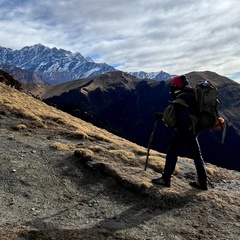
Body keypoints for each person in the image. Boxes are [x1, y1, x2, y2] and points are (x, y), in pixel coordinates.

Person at [152, 75, 208, 190]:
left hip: (186, 132)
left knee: (172, 152)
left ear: (176, 86)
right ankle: (203, 183)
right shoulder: (192, 94)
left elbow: (183, 118)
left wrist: (179, 133)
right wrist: (162, 116)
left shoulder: (182, 99)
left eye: (173, 85)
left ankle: (165, 179)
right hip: (195, 130)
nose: (172, 87)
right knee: (197, 156)